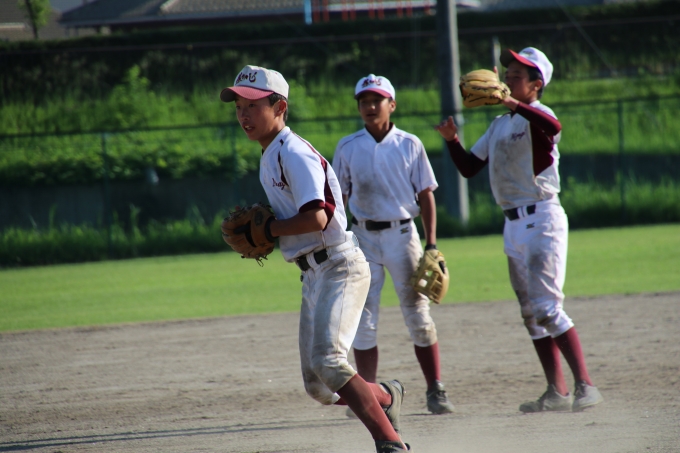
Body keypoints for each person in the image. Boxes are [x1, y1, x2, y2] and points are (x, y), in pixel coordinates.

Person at [220, 65, 412, 453]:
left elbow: (318, 217)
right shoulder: (269, 154)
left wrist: (270, 229)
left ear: (280, 108)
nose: (243, 114)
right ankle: (386, 395)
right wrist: (272, 228)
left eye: (253, 105)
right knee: (318, 385)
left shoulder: (293, 152)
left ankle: (390, 443)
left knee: (329, 361)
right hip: (312, 274)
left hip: (340, 265)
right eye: (239, 106)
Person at [434, 48, 604, 413]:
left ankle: (586, 386)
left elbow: (553, 128)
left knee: (548, 308)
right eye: (507, 73)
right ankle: (556, 391)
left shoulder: (541, 115)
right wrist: (451, 140)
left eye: (517, 75)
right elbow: (469, 167)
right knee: (531, 314)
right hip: (512, 225)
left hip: (542, 219)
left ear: (536, 84)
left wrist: (511, 102)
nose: (508, 79)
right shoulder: (500, 124)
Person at [332, 74, 455, 416]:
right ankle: (367, 396)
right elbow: (339, 199)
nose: (370, 106)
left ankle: (436, 389)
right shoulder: (348, 146)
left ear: (392, 105)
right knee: (363, 318)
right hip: (363, 237)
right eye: (364, 101)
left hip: (403, 236)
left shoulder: (409, 144)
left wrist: (431, 243)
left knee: (418, 313)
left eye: (377, 100)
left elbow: (426, 195)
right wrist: (337, 241)